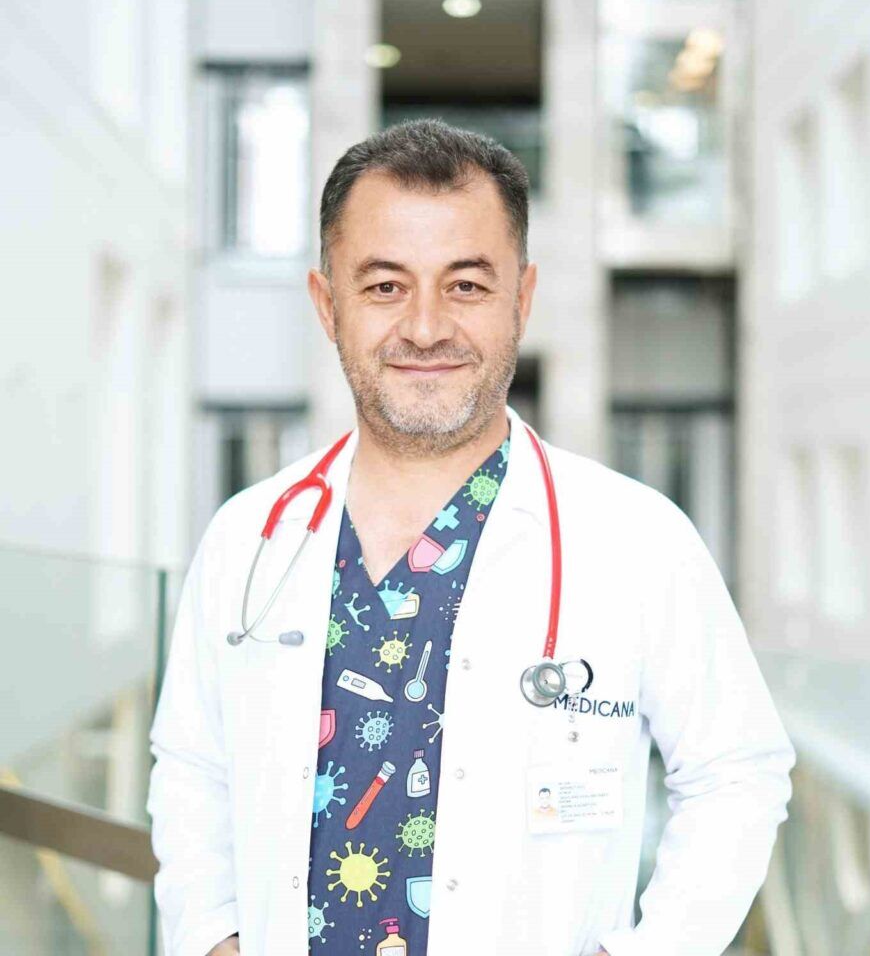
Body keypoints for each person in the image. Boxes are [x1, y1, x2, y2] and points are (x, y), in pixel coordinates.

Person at [147, 118, 796, 956]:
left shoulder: (636, 538)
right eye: (385, 286)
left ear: (521, 299)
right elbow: (191, 767)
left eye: (465, 285)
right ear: (327, 304)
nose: (425, 328)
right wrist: (213, 937)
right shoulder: (250, 536)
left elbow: (736, 773)